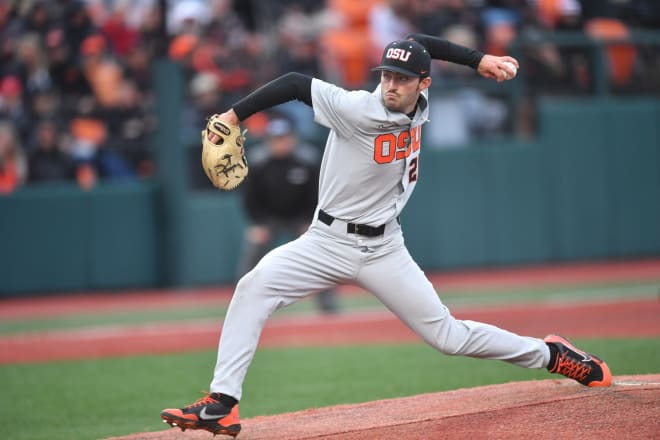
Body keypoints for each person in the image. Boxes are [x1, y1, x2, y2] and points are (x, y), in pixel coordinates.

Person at [160, 33, 612, 438]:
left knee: (449, 338)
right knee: (253, 287)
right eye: (386, 75)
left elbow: (421, 43)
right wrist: (233, 116)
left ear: (424, 85)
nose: (390, 85)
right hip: (326, 241)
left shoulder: (415, 99)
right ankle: (223, 404)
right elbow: (297, 82)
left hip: (384, 247)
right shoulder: (357, 108)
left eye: (401, 78)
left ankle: (551, 355)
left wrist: (478, 61)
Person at [237, 115, 339, 314]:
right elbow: (249, 199)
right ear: (269, 141)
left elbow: (319, 196)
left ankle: (328, 307)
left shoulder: (307, 161)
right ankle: (243, 304)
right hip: (269, 219)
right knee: (253, 251)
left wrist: (310, 222)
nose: (281, 142)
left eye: (285, 137)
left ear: (293, 138)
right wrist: (258, 224)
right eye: (276, 139)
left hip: (301, 218)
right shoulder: (258, 163)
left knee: (320, 255)